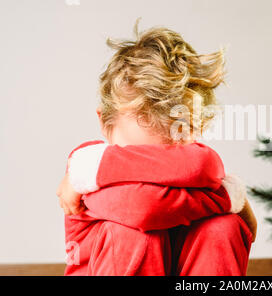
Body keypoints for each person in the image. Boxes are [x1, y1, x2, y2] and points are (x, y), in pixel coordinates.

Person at [57, 23, 257, 276]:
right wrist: (227, 197)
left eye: (170, 157)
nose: (156, 171)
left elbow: (201, 164)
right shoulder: (88, 163)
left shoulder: (197, 161)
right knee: (133, 234)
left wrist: (225, 206)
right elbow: (140, 209)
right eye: (138, 155)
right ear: (104, 124)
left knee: (222, 226)